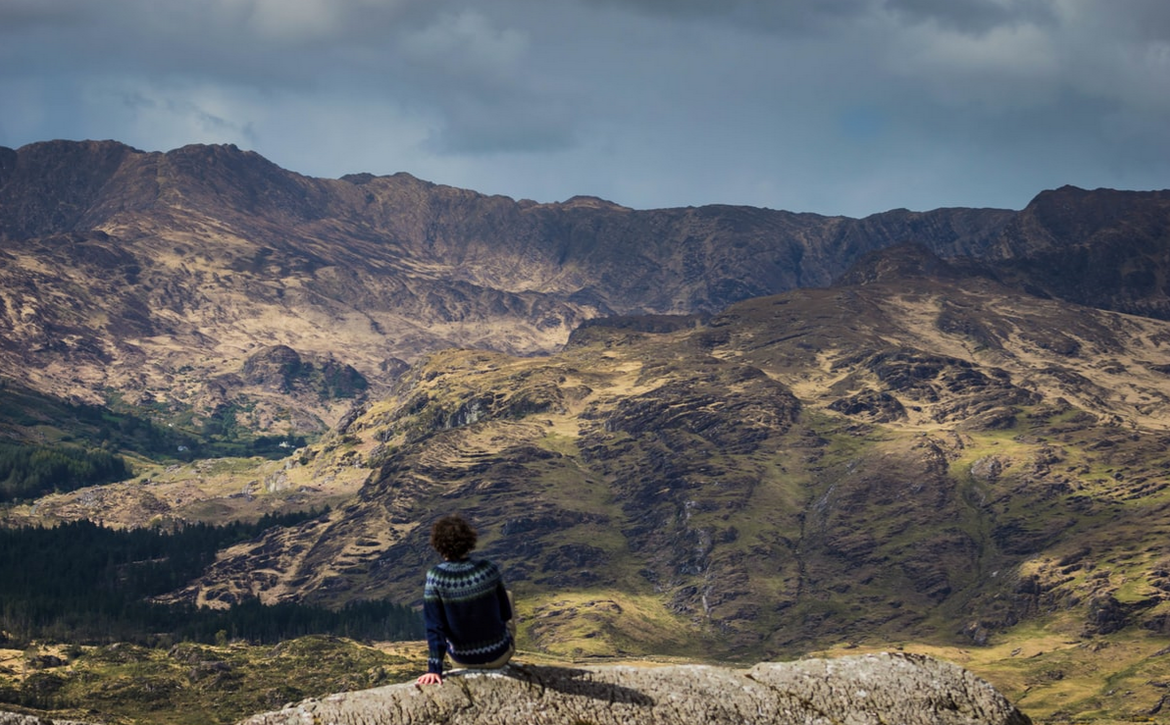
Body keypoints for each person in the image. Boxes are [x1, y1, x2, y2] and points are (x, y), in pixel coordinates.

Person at [415, 514, 515, 685]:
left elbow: (435, 626)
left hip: (462, 660)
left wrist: (434, 669)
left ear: (438, 544)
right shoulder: (488, 569)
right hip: (499, 655)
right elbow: (506, 614)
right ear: (469, 540)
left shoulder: (436, 576)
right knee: (508, 595)